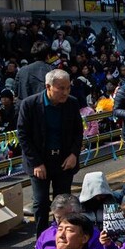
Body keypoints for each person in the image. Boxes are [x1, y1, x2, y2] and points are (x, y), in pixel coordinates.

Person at [18, 69, 84, 234]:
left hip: (64, 159)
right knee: (41, 202)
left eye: (68, 88)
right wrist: (37, 163)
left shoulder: (72, 103)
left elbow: (78, 131)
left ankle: (63, 233)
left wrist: (74, 154)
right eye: (61, 88)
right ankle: (41, 238)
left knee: (63, 202)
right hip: (40, 161)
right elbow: (23, 136)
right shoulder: (29, 104)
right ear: (48, 86)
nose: (65, 92)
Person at [30, 194, 108, 249]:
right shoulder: (46, 235)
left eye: (68, 217)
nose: (63, 222)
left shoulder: (92, 234)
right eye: (58, 218)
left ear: (78, 213)